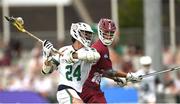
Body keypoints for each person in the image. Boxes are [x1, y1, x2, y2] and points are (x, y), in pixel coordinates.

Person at [80, 18, 142, 103]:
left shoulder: (102, 47)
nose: (109, 36)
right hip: (89, 89)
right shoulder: (100, 48)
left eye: (111, 33)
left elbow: (103, 72)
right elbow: (109, 72)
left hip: (92, 89)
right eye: (106, 33)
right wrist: (128, 75)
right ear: (100, 31)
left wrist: (117, 79)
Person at [42, 22, 100, 104]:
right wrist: (46, 56)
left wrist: (73, 56)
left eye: (89, 35)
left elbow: (95, 56)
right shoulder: (63, 50)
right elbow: (46, 71)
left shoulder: (90, 50)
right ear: (76, 33)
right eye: (85, 34)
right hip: (64, 89)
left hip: (78, 92)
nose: (88, 37)